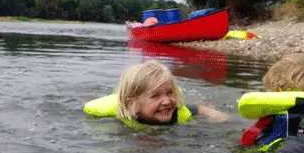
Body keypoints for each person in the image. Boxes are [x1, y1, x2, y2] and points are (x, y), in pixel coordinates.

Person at [84, 60, 228, 126]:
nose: (166, 101)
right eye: (156, 96)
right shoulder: (121, 121)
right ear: (131, 104)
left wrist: (211, 113)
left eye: (169, 93)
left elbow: (198, 109)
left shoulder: (178, 113)